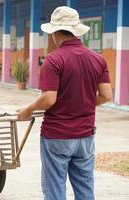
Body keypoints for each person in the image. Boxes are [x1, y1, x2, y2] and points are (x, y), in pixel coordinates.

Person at [17, 6, 112, 200]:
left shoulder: (54, 60)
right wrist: (82, 105)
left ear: (56, 33)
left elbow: (48, 98)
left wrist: (26, 111)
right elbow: (106, 96)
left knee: (54, 189)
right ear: (76, 31)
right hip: (85, 136)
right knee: (85, 187)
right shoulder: (98, 59)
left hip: (57, 136)